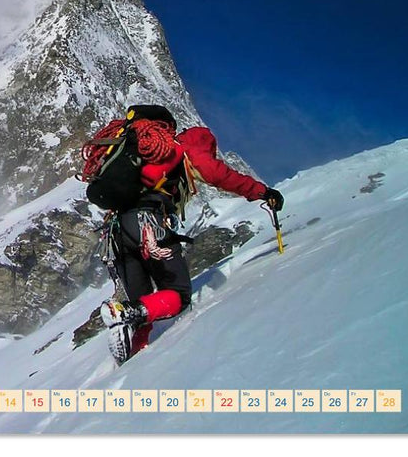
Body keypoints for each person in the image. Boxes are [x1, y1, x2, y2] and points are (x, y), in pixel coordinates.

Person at [82, 105, 284, 364]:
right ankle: (125, 315)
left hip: (116, 234)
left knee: (144, 304)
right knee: (177, 294)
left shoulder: (131, 151)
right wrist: (264, 192)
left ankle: (132, 361)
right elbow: (218, 175)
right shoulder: (183, 145)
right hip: (147, 224)